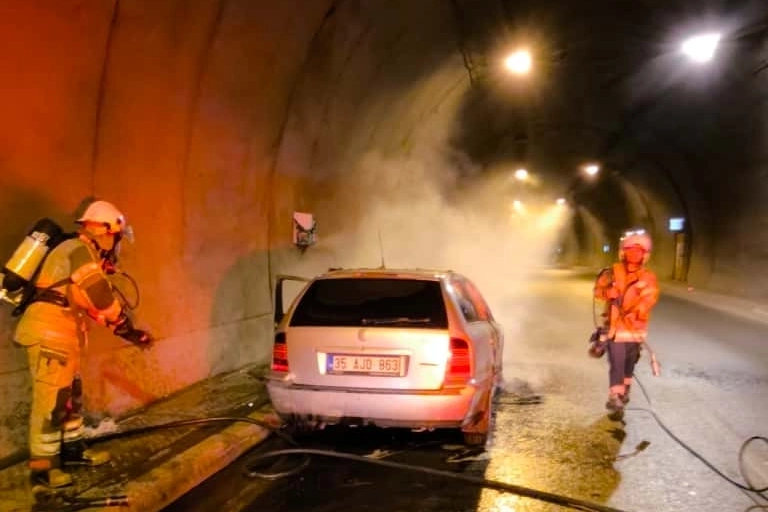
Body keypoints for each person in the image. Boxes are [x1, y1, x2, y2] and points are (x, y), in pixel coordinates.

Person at [13, 200, 152, 488]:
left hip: (62, 336)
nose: (115, 246)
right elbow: (100, 296)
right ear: (103, 231)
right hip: (49, 335)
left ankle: (73, 451)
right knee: (50, 404)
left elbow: (88, 304)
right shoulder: (78, 251)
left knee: (69, 398)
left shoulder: (77, 252)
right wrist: (122, 321)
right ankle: (42, 469)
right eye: (115, 238)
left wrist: (126, 331)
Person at [593, 229, 659, 415]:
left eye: (638, 251)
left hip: (635, 329)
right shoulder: (612, 273)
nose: (634, 254)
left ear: (644, 255)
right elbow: (597, 291)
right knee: (617, 361)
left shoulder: (648, 277)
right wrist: (608, 293)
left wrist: (637, 310)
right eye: (631, 250)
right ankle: (615, 396)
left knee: (629, 362)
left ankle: (625, 390)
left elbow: (650, 298)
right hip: (615, 328)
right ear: (624, 252)